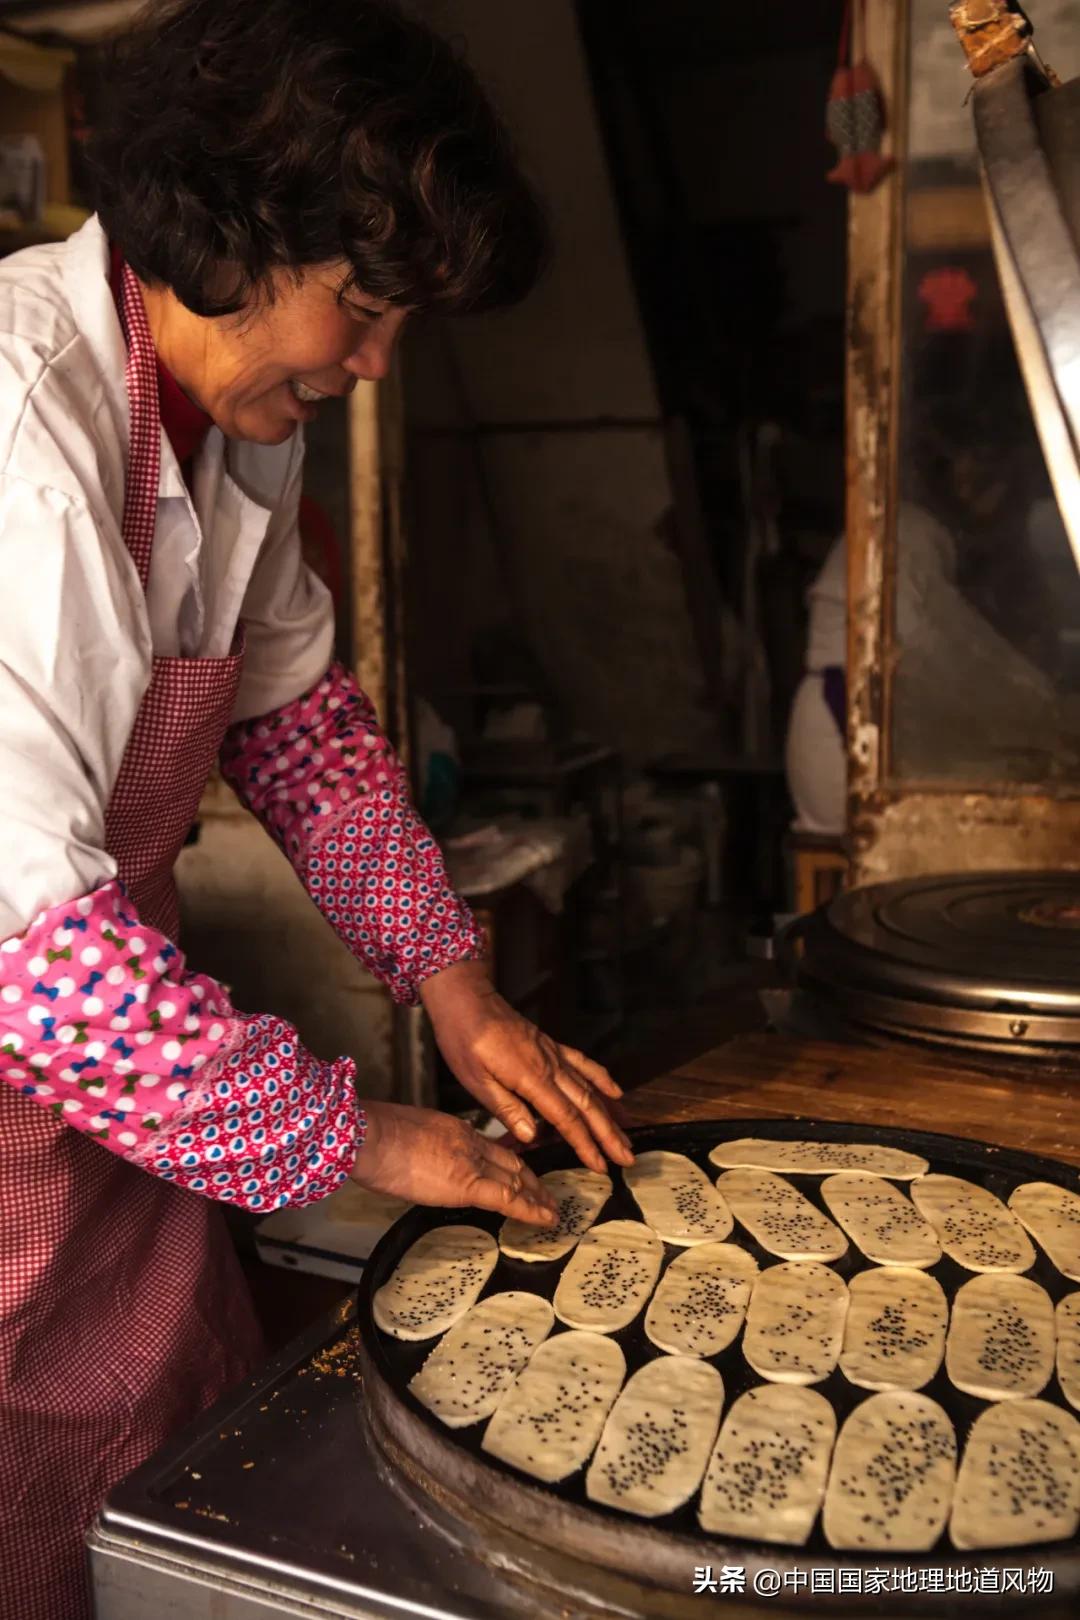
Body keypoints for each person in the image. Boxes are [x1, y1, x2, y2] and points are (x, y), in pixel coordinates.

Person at [0, 3, 633, 1615]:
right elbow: (40, 960)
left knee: (163, 1490)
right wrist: (363, 1139)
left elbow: (297, 726)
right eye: (358, 307)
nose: (371, 366)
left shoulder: (223, 432)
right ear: (223, 235)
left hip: (121, 1135)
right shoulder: (28, 444)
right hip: (68, 1050)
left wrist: (457, 985)